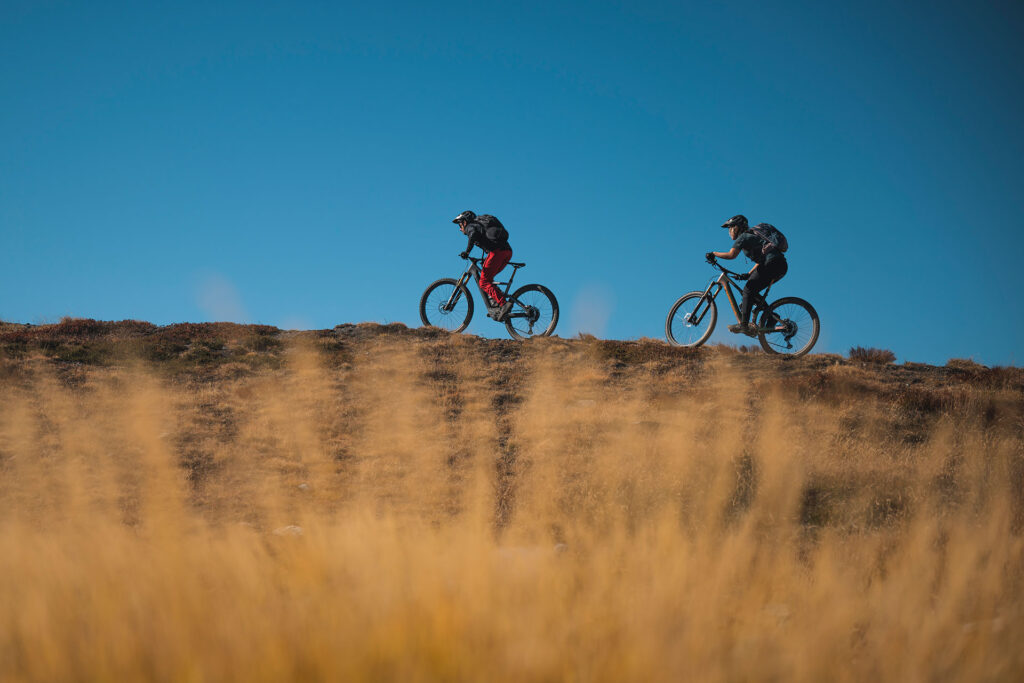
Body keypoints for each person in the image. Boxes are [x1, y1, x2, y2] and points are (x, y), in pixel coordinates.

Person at [706, 214, 788, 337]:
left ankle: (743, 325)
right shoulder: (751, 237)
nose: (729, 232)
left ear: (737, 227)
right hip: (779, 265)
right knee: (751, 291)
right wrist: (748, 274)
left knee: (748, 290)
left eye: (730, 228)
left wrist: (713, 254)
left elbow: (731, 255)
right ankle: (772, 317)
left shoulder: (743, 237)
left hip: (772, 263)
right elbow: (761, 261)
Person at [452, 210, 514, 319]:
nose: (459, 227)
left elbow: (473, 234)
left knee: (484, 282)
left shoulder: (470, 226)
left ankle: (504, 304)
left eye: (460, 224)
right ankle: (496, 305)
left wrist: (467, 252)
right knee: (488, 279)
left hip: (497, 252)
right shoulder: (479, 226)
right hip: (507, 252)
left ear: (465, 222)